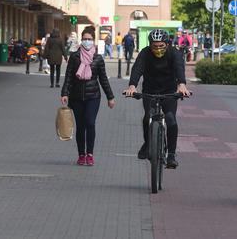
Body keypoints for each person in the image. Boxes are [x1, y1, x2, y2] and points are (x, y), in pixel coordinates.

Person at [123, 29, 191, 169]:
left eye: (161, 46)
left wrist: (182, 85)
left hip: (169, 91)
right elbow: (137, 69)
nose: (158, 49)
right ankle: (148, 144)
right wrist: (132, 86)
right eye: (155, 46)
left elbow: (179, 68)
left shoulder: (174, 53)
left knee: (171, 119)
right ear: (150, 45)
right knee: (147, 117)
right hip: (150, 91)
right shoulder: (145, 53)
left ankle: (171, 155)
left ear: (167, 44)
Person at [61, 26, 115, 166]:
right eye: (84, 39)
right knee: (80, 126)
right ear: (81, 40)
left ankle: (90, 154)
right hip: (76, 97)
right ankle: (81, 154)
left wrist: (110, 97)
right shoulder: (75, 57)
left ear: (93, 41)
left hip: (93, 97)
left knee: (90, 123)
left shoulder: (97, 59)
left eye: (89, 39)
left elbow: (103, 79)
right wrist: (64, 93)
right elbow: (68, 77)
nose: (87, 41)